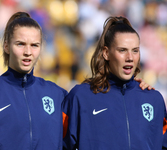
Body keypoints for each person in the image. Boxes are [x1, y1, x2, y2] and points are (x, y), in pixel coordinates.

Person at [0, 11, 68, 150]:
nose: (28, 52)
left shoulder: (58, 95)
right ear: (6, 46)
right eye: (20, 44)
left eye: (34, 45)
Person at [62, 16, 166, 150]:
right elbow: (59, 144)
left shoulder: (154, 99)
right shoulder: (80, 97)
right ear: (106, 53)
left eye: (135, 50)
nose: (130, 58)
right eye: (122, 50)